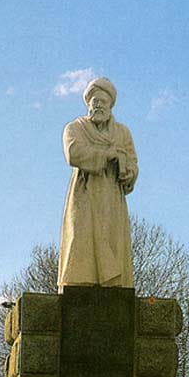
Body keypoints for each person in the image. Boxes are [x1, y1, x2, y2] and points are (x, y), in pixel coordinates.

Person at [57, 77, 138, 292]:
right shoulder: (75, 127)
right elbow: (73, 153)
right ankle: (80, 285)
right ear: (88, 104)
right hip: (85, 195)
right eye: (95, 102)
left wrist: (129, 173)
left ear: (111, 105)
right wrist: (107, 154)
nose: (99, 105)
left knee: (113, 243)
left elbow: (133, 162)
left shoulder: (123, 133)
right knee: (82, 244)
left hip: (112, 197)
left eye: (103, 101)